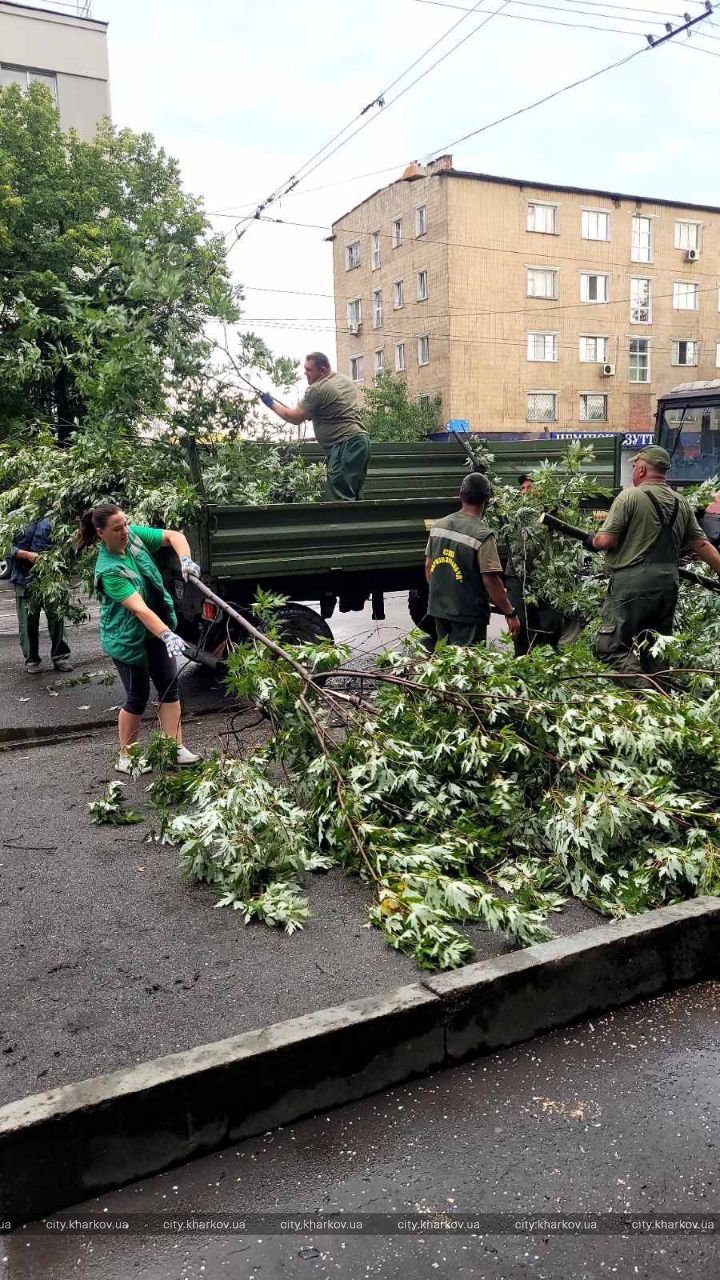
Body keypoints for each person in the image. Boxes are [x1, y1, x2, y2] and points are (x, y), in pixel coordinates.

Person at [76, 504, 201, 773]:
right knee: (138, 695)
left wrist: (186, 559)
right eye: (117, 528)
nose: (125, 530)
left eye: (126, 524)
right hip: (127, 638)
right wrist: (167, 633)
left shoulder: (132, 536)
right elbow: (139, 608)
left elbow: (173, 536)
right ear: (100, 533)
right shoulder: (109, 570)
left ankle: (174, 748)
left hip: (154, 630)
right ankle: (127, 756)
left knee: (169, 686)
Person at [587, 445, 720, 686]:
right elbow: (702, 545)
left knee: (609, 648)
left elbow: (605, 541)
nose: (633, 472)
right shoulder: (681, 503)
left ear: (642, 468)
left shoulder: (630, 496)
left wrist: (592, 540)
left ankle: (645, 692)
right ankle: (662, 701)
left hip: (631, 585)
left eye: (635, 467)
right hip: (667, 586)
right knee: (655, 649)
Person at [425, 472, 521, 646]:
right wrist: (510, 613)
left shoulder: (439, 526)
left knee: (446, 662)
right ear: (488, 499)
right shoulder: (482, 535)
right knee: (469, 667)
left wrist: (443, 596)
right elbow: (490, 580)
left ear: (460, 494)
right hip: (468, 614)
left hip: (439, 609)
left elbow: (428, 566)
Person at [259, 352, 371, 500]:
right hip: (360, 442)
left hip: (344, 446)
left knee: (341, 498)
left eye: (309, 370)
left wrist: (270, 403)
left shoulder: (317, 389)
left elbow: (294, 418)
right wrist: (315, 413)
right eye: (305, 369)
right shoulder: (344, 380)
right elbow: (336, 406)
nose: (305, 373)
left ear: (323, 370)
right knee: (354, 496)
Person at [10, 516, 72, 674]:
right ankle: (32, 659)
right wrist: (25, 554)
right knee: (28, 622)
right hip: (24, 579)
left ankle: (61, 657)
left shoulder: (55, 516)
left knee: (57, 618)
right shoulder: (14, 518)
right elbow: (4, 547)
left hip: (51, 578)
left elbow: (67, 544)